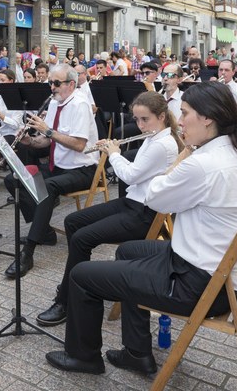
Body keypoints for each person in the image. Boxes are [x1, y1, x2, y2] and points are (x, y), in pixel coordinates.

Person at [44, 82, 237, 375]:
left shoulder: (203, 163)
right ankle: (137, 353)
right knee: (128, 251)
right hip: (228, 273)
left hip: (200, 283)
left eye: (185, 112)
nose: (180, 118)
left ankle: (83, 357)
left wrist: (184, 154)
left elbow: (156, 196)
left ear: (207, 118)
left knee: (81, 275)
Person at [36, 92, 181, 327]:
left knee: (82, 239)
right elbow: (136, 171)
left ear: (162, 116)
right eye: (137, 120)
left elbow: (131, 176)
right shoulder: (153, 137)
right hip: (131, 203)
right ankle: (78, 279)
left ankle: (67, 299)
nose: (141, 125)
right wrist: (115, 152)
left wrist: (113, 153)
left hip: (143, 213)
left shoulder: (163, 144)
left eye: (145, 119)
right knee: (73, 221)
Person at [3, 64, 99, 277]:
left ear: (71, 84)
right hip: (58, 167)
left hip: (82, 169)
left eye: (57, 83)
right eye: (50, 83)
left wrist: (47, 130)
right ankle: (44, 231)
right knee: (14, 180)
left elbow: (78, 144)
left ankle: (28, 251)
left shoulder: (80, 105)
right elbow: (46, 142)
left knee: (47, 187)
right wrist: (29, 139)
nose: (52, 87)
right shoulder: (56, 103)